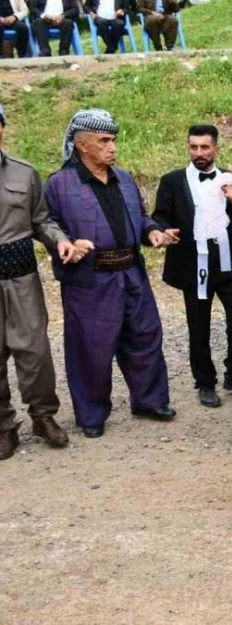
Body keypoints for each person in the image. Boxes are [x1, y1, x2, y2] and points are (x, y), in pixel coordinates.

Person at [45, 109, 178, 439]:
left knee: (145, 336)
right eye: (104, 140)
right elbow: (47, 224)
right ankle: (91, 414)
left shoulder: (124, 178)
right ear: (81, 144)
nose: (112, 147)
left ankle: (149, 401)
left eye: (114, 140)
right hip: (91, 278)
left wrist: (153, 234)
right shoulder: (59, 184)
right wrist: (65, 243)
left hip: (132, 272)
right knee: (91, 347)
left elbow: (142, 217)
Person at [152, 124, 232, 409]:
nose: (199, 153)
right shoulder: (172, 181)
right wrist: (164, 231)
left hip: (226, 263)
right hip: (192, 263)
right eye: (193, 147)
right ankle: (205, 383)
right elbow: (159, 216)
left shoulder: (228, 180)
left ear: (216, 149)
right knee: (199, 326)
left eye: (204, 147)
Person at [0, 103, 77, 460]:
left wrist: (59, 239)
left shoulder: (23, 173)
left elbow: (41, 220)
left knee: (34, 351)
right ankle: (4, 427)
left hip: (20, 275)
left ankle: (43, 416)